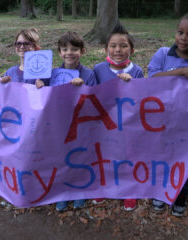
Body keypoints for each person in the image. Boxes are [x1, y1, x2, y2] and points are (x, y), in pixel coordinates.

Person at [147, 12, 188, 217]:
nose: (184, 38)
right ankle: (159, 193)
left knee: (186, 162)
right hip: (162, 123)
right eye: (180, 32)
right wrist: (181, 72)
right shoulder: (163, 54)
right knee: (162, 158)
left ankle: (181, 195)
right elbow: (152, 78)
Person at [36, 31, 96, 211]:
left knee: (79, 157)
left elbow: (95, 98)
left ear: (82, 52)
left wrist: (82, 88)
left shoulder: (88, 74)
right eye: (65, 49)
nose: (69, 52)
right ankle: (61, 193)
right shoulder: (53, 73)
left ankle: (78, 193)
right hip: (58, 125)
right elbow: (45, 97)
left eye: (74, 49)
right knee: (60, 159)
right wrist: (41, 86)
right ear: (60, 53)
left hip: (80, 125)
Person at [93, 23, 144, 211]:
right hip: (104, 126)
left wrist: (132, 85)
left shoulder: (136, 71)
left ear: (132, 49)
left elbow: (142, 100)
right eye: (113, 45)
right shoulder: (98, 69)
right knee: (104, 156)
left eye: (123, 45)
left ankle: (129, 191)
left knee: (128, 157)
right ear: (105, 49)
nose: (118, 50)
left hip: (128, 126)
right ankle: (102, 187)